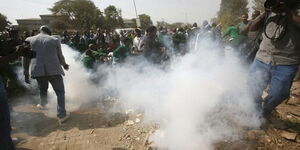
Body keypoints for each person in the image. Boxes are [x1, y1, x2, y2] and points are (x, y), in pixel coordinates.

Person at [249, 0, 300, 121]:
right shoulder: (271, 10)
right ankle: (255, 115)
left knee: (279, 94)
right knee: (252, 88)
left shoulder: (296, 10)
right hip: (262, 58)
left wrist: (288, 10)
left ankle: (265, 111)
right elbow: (253, 27)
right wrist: (265, 13)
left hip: (286, 61)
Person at [23, 25, 70, 124]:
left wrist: (26, 73)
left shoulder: (29, 40)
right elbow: (60, 55)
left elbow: (25, 58)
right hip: (54, 70)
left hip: (38, 71)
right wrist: (64, 65)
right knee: (60, 92)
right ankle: (61, 115)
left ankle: (43, 104)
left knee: (43, 88)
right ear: (49, 32)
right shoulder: (54, 39)